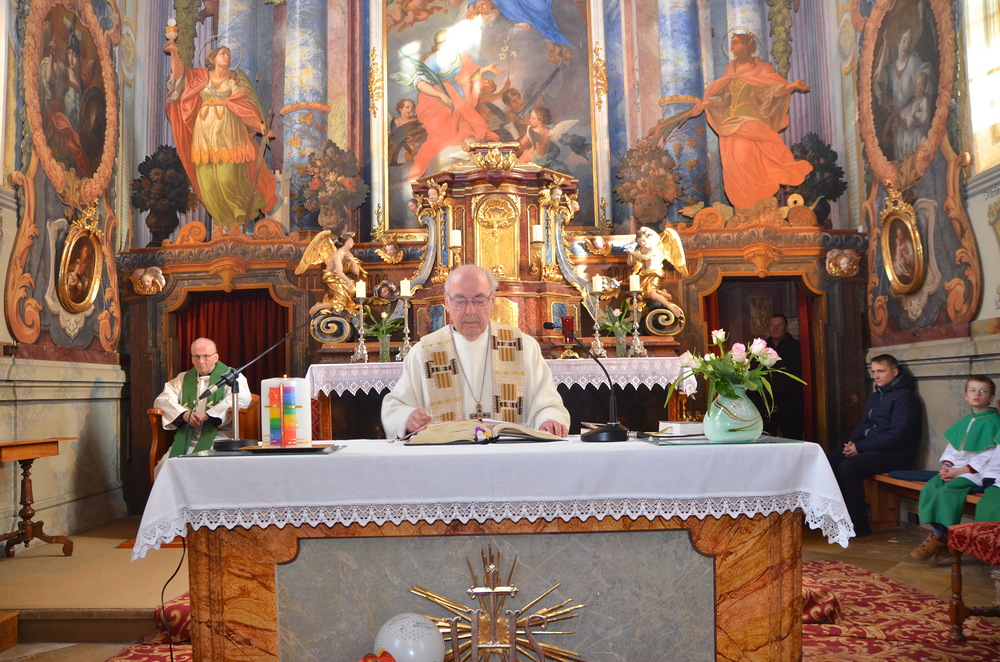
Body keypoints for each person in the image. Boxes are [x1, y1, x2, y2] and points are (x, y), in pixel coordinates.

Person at [381, 265, 569, 438]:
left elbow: (547, 404)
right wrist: (407, 417)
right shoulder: (423, 352)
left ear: (492, 300)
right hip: (445, 458)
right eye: (460, 301)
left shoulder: (523, 347)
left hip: (510, 456)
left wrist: (547, 420)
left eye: (479, 300)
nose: (470, 310)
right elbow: (395, 407)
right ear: (447, 302)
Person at [690, 31, 812, 210]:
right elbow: (723, 97)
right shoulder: (730, 69)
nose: (733, 47)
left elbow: (770, 89)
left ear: (747, 45)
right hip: (729, 126)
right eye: (732, 43)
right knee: (733, 164)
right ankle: (744, 208)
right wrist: (706, 103)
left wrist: (790, 87)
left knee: (747, 158)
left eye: (736, 42)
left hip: (750, 121)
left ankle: (758, 202)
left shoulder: (760, 68)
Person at [163, 40, 278, 228]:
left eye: (229, 54)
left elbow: (243, 108)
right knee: (208, 183)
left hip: (229, 134)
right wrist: (174, 53)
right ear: (213, 58)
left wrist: (260, 126)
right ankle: (220, 225)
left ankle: (236, 222)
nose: (227, 57)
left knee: (227, 179)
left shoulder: (235, 79)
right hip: (204, 135)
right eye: (223, 53)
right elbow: (180, 76)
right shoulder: (201, 76)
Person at [828, 354, 922, 536]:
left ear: (895, 372)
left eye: (881, 371)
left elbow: (897, 437)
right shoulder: (875, 395)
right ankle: (840, 517)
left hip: (896, 454)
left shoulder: (905, 398)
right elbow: (864, 424)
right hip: (871, 449)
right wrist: (851, 443)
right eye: (873, 372)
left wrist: (859, 448)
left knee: (849, 467)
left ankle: (859, 524)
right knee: (830, 461)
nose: (876, 376)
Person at [910, 375, 999, 560]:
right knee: (932, 486)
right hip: (955, 469)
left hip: (975, 472)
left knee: (948, 491)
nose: (977, 394)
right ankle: (940, 532)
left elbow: (988, 456)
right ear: (966, 395)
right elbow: (952, 448)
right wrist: (947, 466)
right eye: (972, 390)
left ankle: (941, 536)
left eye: (983, 391)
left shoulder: (994, 422)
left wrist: (959, 471)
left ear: (991, 397)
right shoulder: (966, 420)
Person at [152, 338, 251, 476]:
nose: (201, 361)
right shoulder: (183, 379)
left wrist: (209, 415)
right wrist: (183, 414)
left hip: (219, 435)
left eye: (206, 356)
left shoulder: (232, 376)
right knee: (165, 466)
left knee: (209, 466)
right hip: (188, 436)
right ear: (192, 359)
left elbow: (242, 398)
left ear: (216, 357)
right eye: (197, 357)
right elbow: (162, 400)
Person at [762, 314, 804, 440]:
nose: (775, 329)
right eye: (772, 325)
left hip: (790, 403)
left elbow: (796, 374)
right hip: (766, 404)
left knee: (791, 439)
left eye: (779, 325)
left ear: (786, 327)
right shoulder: (761, 349)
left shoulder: (796, 347)